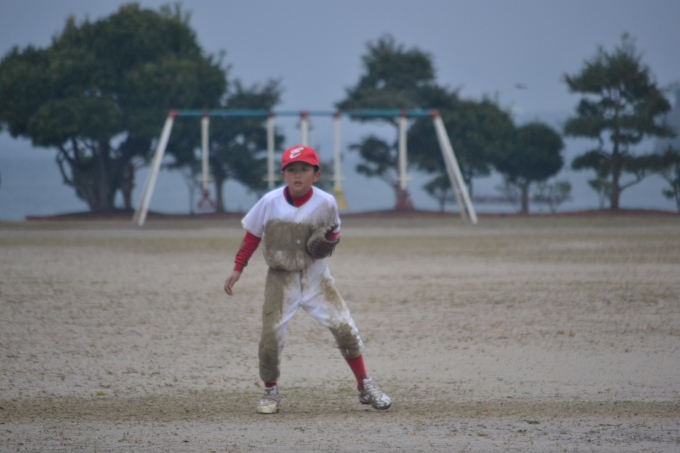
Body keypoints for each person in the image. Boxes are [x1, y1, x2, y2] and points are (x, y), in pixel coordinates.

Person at [224, 144, 391, 414]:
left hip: (316, 276)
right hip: (280, 277)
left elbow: (333, 234)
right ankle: (270, 391)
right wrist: (238, 267)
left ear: (316, 174)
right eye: (291, 170)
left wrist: (329, 242)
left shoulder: (326, 202)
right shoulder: (270, 202)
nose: (297, 174)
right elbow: (252, 234)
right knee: (271, 335)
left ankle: (365, 385)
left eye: (304, 169)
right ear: (283, 175)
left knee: (345, 328)